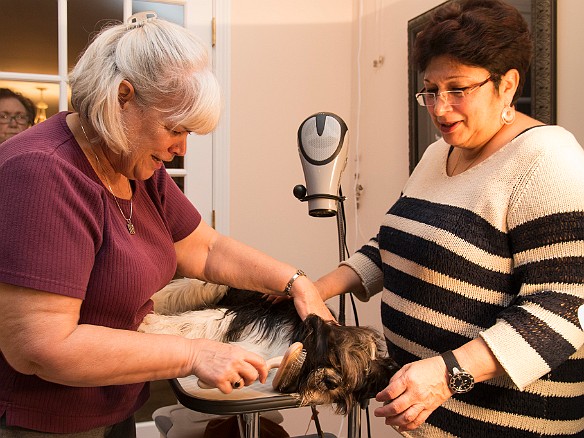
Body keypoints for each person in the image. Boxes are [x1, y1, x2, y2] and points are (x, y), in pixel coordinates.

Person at [0, 12, 332, 437]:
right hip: (42, 420)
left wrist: (296, 282)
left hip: (110, 399)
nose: (180, 149)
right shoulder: (42, 172)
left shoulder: (134, 164)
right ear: (123, 97)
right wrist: (194, 354)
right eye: (174, 129)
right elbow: (41, 348)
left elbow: (204, 248)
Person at [314, 0, 584, 436]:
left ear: (508, 85)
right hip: (431, 421)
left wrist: (445, 375)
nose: (440, 108)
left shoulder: (548, 161)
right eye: (430, 90)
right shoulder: (438, 153)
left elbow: (566, 307)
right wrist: (314, 290)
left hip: (509, 426)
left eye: (458, 89)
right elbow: (391, 245)